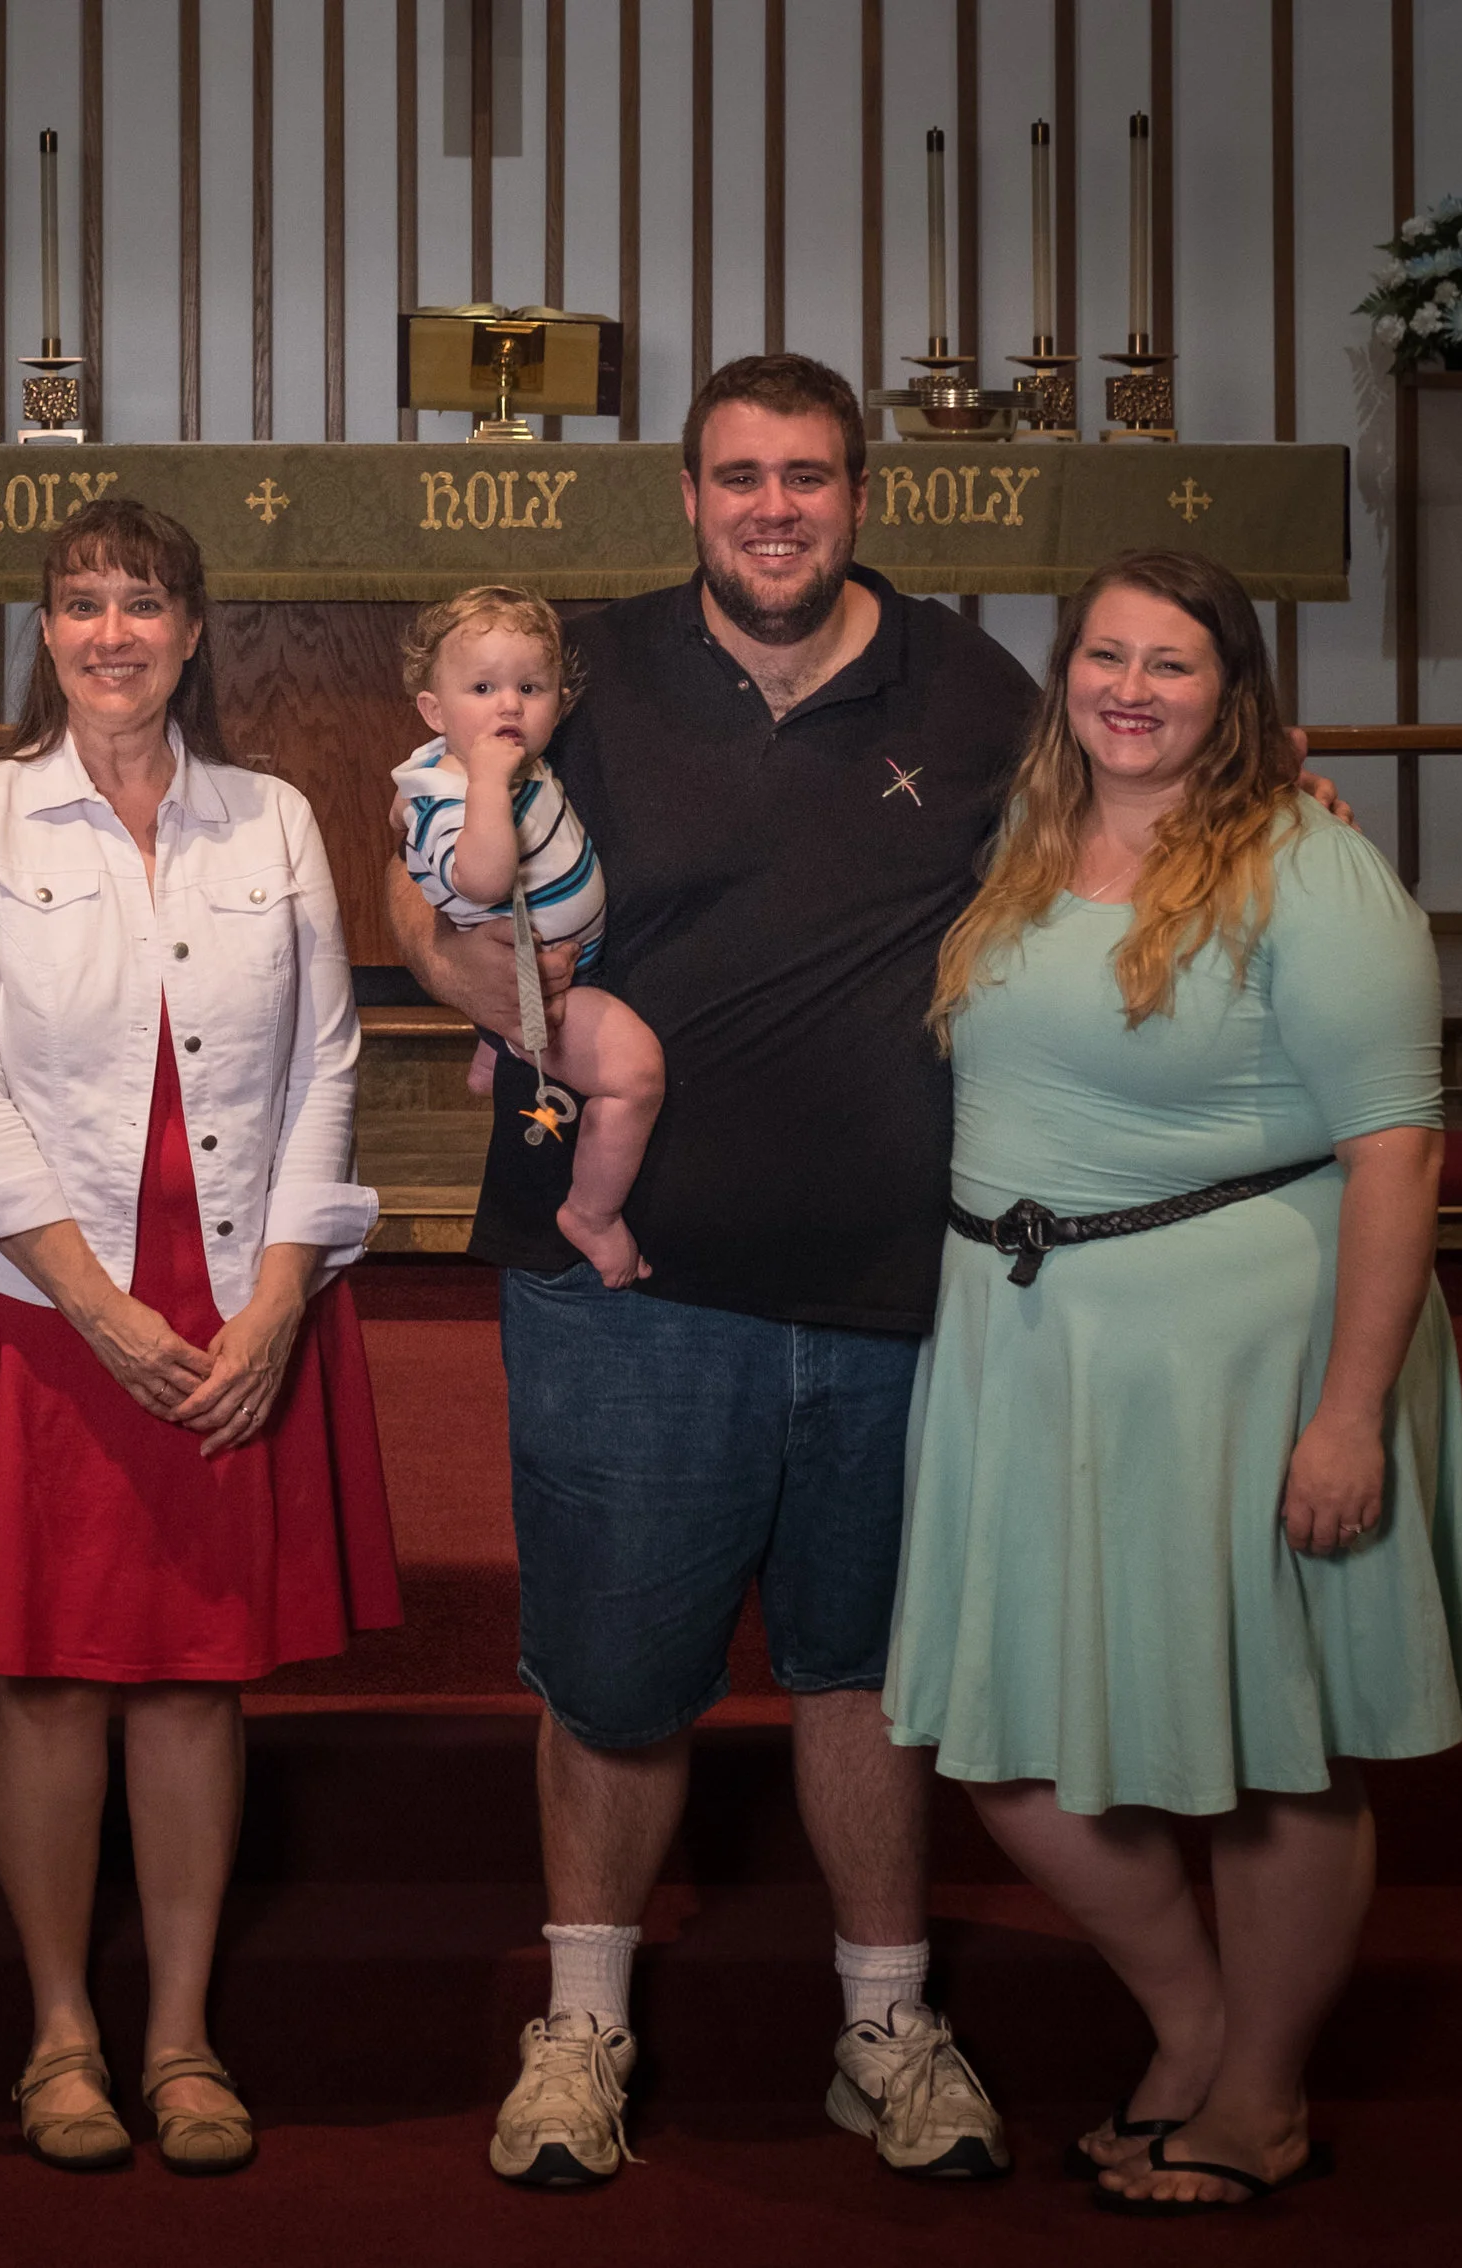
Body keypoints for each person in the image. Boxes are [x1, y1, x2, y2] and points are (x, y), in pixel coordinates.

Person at [390, 353, 1039, 2188]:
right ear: (686, 495)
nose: (775, 509)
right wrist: (489, 989)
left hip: (890, 1281)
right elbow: (418, 887)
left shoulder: (973, 688)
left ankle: (886, 2021)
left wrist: (1271, 791)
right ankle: (583, 2022)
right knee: (611, 1676)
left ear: (860, 494)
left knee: (865, 1672)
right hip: (625, 1287)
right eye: (740, 477)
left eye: (808, 476)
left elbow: (1109, 859)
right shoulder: (577, 672)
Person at [887, 551, 1462, 2216]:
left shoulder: (1307, 861)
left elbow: (1399, 1152)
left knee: (1275, 1735)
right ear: (1063, 672)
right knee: (998, 1735)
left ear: (1236, 692)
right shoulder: (1024, 835)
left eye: (1172, 663)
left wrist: (1350, 1413)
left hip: (1243, 1348)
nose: (1130, 690)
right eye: (1105, 656)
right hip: (1032, 1340)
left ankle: (1261, 2100)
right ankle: (1204, 2023)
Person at [0, 497, 399, 2178]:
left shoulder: (274, 817)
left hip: (232, 1294)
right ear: (47, 631)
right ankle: (59, 2032)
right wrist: (96, 1305)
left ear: (192, 630)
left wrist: (281, 1296)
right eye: (84, 602)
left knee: (192, 1683)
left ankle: (179, 2036)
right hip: (36, 1303)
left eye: (145, 602)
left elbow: (329, 1061)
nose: (114, 632)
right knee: (43, 1679)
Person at [392, 587, 665, 1289]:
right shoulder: (459, 797)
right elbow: (483, 881)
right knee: (635, 1075)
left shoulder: (470, 758)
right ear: (435, 711)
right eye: (483, 688)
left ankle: (493, 1051)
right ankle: (592, 1213)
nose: (509, 706)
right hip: (545, 988)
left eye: (530, 688)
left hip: (567, 959)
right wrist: (487, 784)